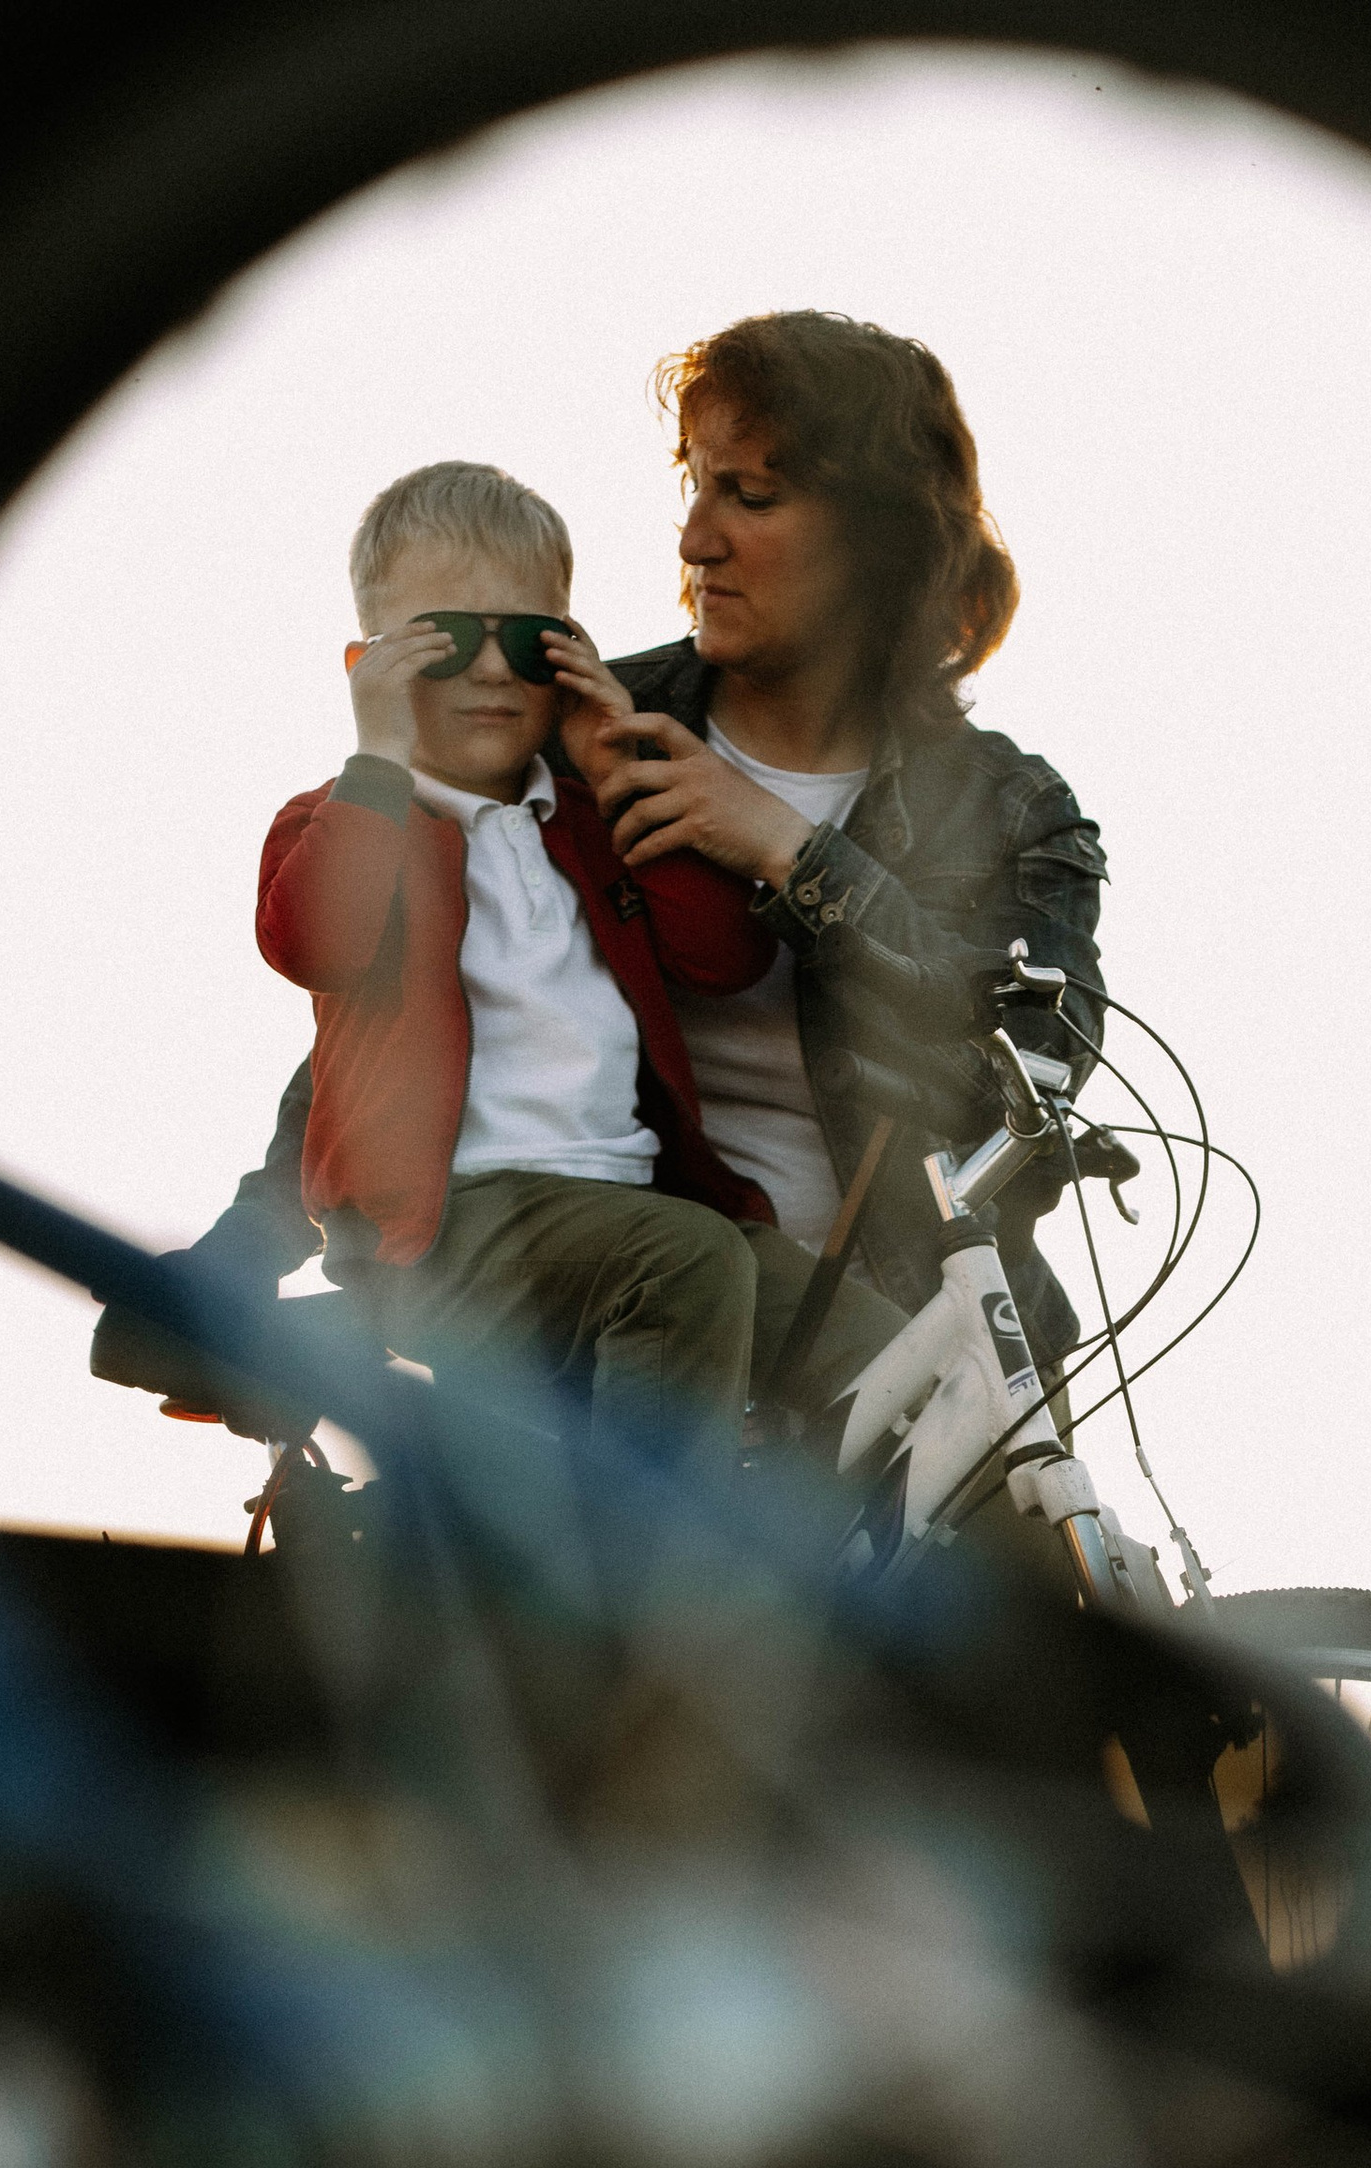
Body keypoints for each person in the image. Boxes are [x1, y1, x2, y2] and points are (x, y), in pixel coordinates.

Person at [138, 315, 1105, 1452]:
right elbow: (410, 1005)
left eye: (750, 497)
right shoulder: (569, 719)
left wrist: (792, 857)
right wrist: (245, 1262)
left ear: (878, 541)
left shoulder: (1009, 809)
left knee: (1029, 1609)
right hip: (601, 1323)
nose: (694, 539)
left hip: (899, 1348)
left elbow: (1026, 1068)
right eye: (694, 489)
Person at [241, 458, 784, 1471]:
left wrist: (620, 766)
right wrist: (376, 760)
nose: (493, 672)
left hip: (629, 1205)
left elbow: (725, 957)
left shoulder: (589, 826)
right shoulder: (338, 818)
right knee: (688, 1265)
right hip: (448, 1226)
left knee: (842, 1317)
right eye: (445, 642)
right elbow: (317, 941)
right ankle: (652, 1596)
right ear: (372, 665)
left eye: (531, 642)